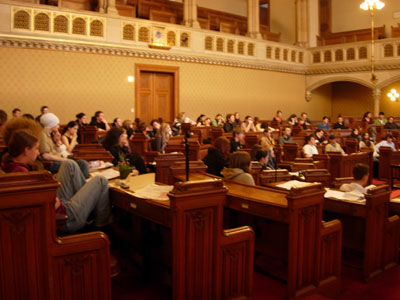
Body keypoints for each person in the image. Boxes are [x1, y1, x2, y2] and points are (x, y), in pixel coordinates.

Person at [2, 127, 112, 233]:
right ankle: (101, 227)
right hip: (65, 218)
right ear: (26, 150)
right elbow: (41, 203)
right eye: (36, 148)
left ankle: (87, 209)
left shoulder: (12, 165)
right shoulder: (21, 174)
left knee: (69, 164)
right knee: (101, 180)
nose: (38, 153)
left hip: (59, 206)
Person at [39, 113, 89, 177]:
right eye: (57, 124)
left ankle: (81, 182)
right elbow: (45, 156)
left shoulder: (49, 135)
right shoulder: (43, 135)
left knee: (82, 162)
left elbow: (55, 151)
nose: (58, 126)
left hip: (59, 158)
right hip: (53, 163)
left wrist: (57, 142)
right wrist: (64, 160)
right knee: (81, 164)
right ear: (51, 125)